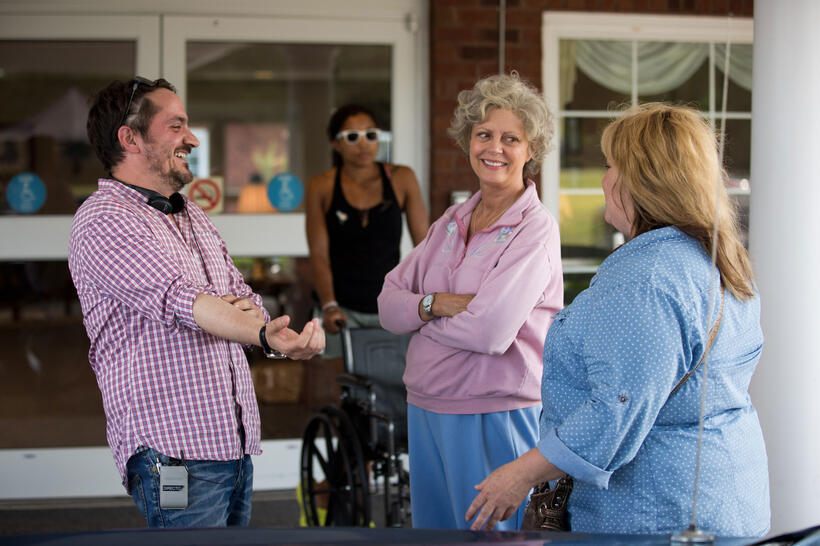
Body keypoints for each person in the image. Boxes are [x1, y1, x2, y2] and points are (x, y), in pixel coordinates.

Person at [466, 103, 770, 537]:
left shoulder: (645, 278)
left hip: (655, 511)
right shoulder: (714, 258)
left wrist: (519, 475)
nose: (605, 180)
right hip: (723, 496)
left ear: (642, 181)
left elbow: (618, 407)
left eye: (610, 166)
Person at [68, 77, 325, 528]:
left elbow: (244, 300)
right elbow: (183, 301)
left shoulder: (191, 214)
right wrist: (250, 326)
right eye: (176, 126)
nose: (190, 138)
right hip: (173, 451)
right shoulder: (104, 218)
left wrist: (263, 331)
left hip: (230, 443)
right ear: (129, 138)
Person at [377, 73, 563, 530]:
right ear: (468, 141)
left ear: (531, 149)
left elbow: (489, 331)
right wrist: (436, 303)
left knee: (491, 538)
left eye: (510, 138)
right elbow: (387, 305)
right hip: (425, 407)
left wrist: (418, 318)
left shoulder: (534, 229)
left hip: (494, 411)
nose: (493, 147)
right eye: (483, 134)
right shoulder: (450, 221)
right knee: (434, 537)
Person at [305, 104, 428, 358]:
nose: (363, 144)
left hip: (391, 304)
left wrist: (425, 298)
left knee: (396, 382)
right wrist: (329, 306)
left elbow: (425, 245)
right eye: (352, 137)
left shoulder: (401, 178)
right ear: (337, 144)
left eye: (370, 135)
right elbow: (318, 253)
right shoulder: (322, 186)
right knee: (346, 385)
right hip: (342, 308)